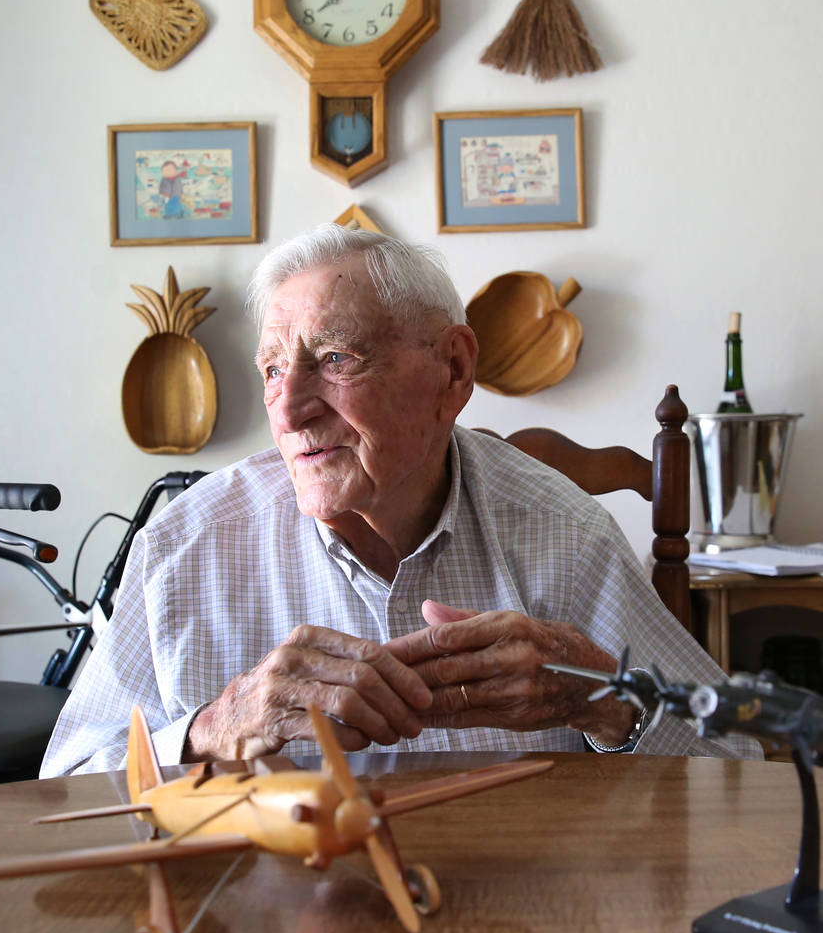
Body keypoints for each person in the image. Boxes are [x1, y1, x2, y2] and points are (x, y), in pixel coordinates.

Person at [41, 224, 761, 776]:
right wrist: (212, 730)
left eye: (334, 359)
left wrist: (602, 701)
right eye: (270, 368)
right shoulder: (186, 545)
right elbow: (64, 780)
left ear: (452, 370)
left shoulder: (563, 534)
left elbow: (733, 771)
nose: (287, 410)